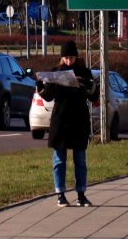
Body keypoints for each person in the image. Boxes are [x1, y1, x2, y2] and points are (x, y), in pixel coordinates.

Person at [36, 39, 96, 207]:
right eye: (66, 58)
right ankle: (60, 194)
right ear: (62, 58)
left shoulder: (85, 72)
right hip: (60, 120)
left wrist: (90, 87)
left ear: (76, 56)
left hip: (79, 119)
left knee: (80, 160)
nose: (69, 61)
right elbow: (49, 96)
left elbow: (93, 97)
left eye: (71, 57)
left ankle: (81, 195)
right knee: (59, 160)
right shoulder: (56, 72)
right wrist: (41, 88)